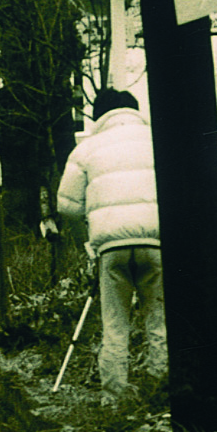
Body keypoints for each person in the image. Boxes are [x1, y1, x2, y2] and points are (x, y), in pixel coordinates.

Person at [56, 87, 161, 396]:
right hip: (154, 243)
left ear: (99, 116)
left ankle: (114, 395)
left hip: (111, 248)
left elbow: (66, 205)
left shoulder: (86, 149)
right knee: (159, 320)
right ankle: (160, 387)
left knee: (115, 324)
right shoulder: (157, 140)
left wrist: (94, 215)